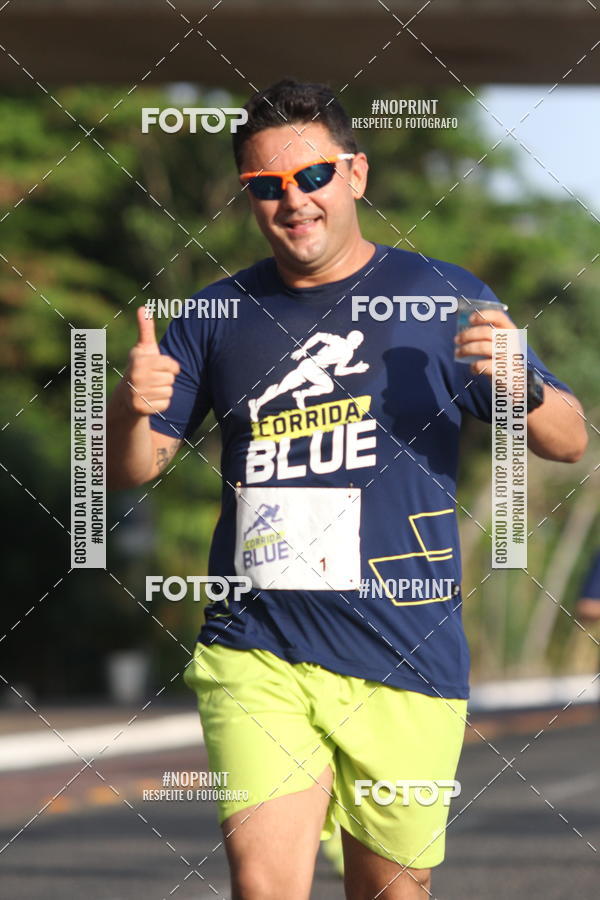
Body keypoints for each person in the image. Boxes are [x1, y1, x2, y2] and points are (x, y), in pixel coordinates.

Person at [107, 79, 588, 899]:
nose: (293, 200)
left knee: (391, 890)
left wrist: (523, 383)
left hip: (406, 653)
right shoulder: (215, 316)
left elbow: (569, 441)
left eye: (313, 175)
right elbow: (132, 468)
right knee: (265, 885)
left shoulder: (442, 298)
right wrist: (127, 403)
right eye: (267, 185)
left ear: (355, 175)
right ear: (248, 197)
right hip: (256, 646)